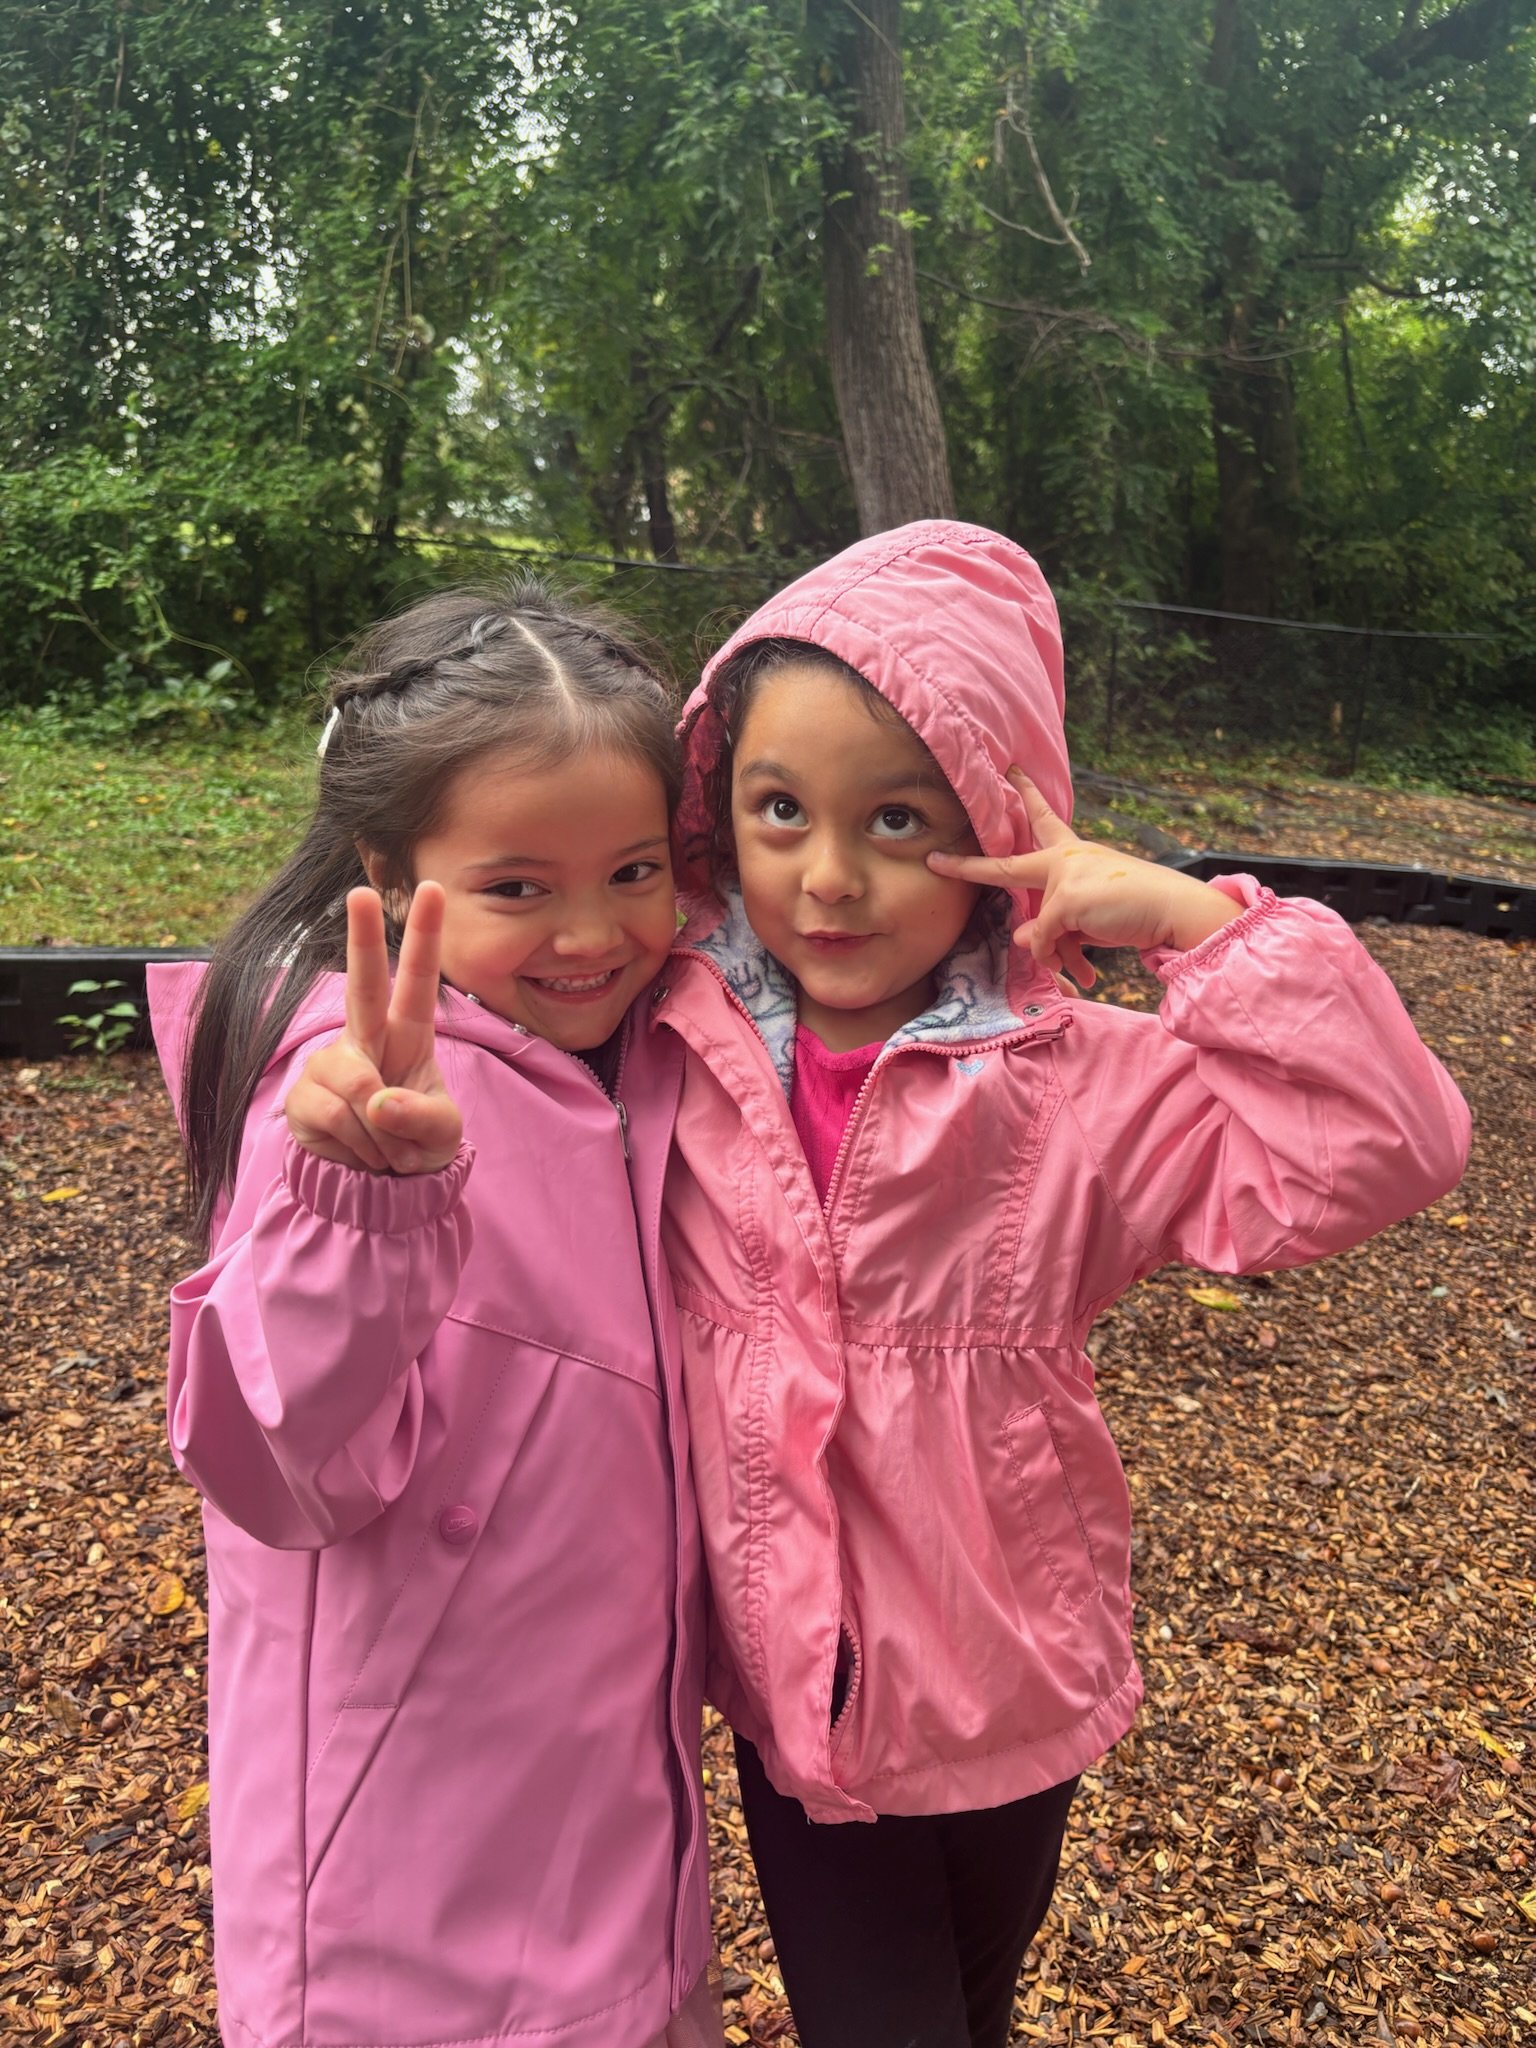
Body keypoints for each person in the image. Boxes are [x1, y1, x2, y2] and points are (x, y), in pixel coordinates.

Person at [650, 520, 1472, 2048]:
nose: (826, 878)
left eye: (898, 821)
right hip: (801, 1690)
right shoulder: (674, 1042)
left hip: (1011, 1672)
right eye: (779, 811)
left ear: (1004, 824)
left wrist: (1193, 923)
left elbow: (1388, 1145)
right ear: (718, 811)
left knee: (971, 2000)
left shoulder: (1079, 1083)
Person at [148, 583, 720, 2048]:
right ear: (391, 877)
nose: (591, 935)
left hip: (612, 1855)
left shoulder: (641, 1074)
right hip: (401, 1920)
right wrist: (361, 1210)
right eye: (519, 887)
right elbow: (271, 1465)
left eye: (635, 871)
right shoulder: (345, 1101)